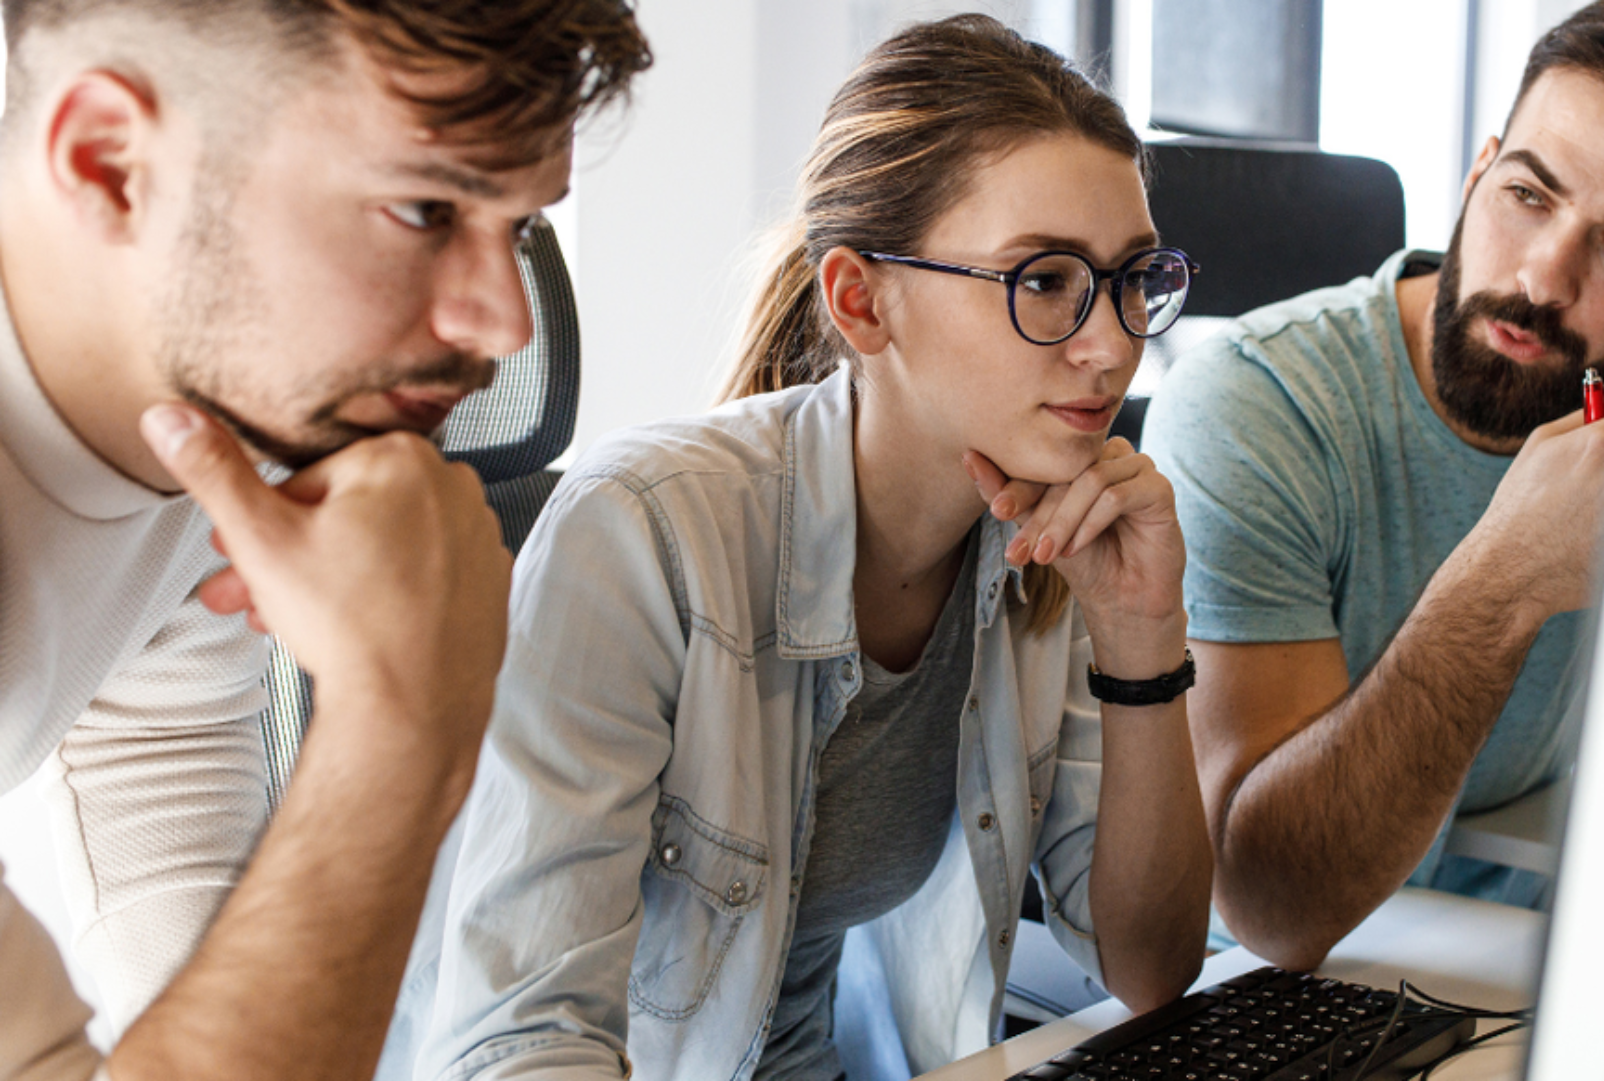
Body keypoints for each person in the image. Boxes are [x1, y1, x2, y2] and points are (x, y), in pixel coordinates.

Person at [419, 16, 1212, 1081]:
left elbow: (1149, 967)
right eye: (1044, 281)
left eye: (1130, 279)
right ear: (860, 299)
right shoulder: (644, 530)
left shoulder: (1043, 545)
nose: (1112, 341)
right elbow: (521, 1040)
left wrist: (1142, 638)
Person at [0, 1, 649, 1077]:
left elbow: (152, 741)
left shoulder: (223, 421)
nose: (506, 324)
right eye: (424, 209)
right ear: (110, 162)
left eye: (522, 228)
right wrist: (402, 729)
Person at [1142, 0, 1604, 970]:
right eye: (1528, 194)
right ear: (1478, 172)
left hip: (1516, 962)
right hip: (1264, 987)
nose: (1542, 277)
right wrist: (1508, 577)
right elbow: (1271, 905)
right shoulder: (1255, 405)